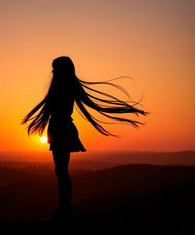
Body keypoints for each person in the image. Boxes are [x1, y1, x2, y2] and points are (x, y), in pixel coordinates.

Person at [21, 56, 150, 222]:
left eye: (56, 68)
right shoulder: (65, 86)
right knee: (61, 172)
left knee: (61, 172)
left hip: (62, 129)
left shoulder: (64, 87)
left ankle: (65, 212)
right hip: (60, 129)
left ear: (63, 69)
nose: (53, 71)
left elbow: (55, 110)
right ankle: (64, 211)